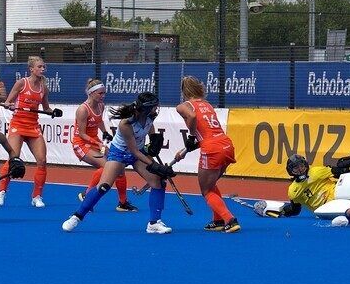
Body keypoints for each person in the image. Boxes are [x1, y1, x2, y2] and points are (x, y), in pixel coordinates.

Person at [62, 92, 175, 234]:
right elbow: (134, 151)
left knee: (158, 182)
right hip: (120, 153)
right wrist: (154, 165)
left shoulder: (149, 118)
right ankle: (76, 216)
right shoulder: (126, 123)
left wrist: (154, 141)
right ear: (146, 108)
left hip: (138, 152)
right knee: (103, 187)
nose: (156, 110)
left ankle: (154, 223)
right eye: (154, 107)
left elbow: (148, 135)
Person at [173, 76, 239, 233]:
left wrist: (190, 136)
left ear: (184, 91)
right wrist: (186, 149)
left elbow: (193, 117)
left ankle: (229, 219)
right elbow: (206, 134)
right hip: (226, 144)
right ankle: (218, 221)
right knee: (212, 184)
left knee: (206, 190)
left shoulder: (183, 106)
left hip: (212, 149)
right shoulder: (207, 105)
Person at [0, 56, 56, 208]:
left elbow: (46, 108)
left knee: (42, 160)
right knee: (13, 158)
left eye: (43, 67)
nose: (42, 69)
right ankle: (1, 191)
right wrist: (8, 105)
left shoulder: (43, 88)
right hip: (18, 124)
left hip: (33, 126)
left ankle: (37, 196)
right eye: (40, 67)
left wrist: (53, 112)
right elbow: (8, 102)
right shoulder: (22, 83)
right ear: (32, 69)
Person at [74, 78, 137, 212]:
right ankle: (87, 194)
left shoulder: (100, 106)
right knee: (107, 166)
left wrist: (105, 133)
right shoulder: (82, 110)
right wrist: (97, 142)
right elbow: (82, 134)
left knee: (118, 165)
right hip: (81, 144)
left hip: (95, 141)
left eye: (104, 93)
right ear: (91, 93)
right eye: (100, 93)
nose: (103, 96)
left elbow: (99, 121)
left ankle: (122, 203)